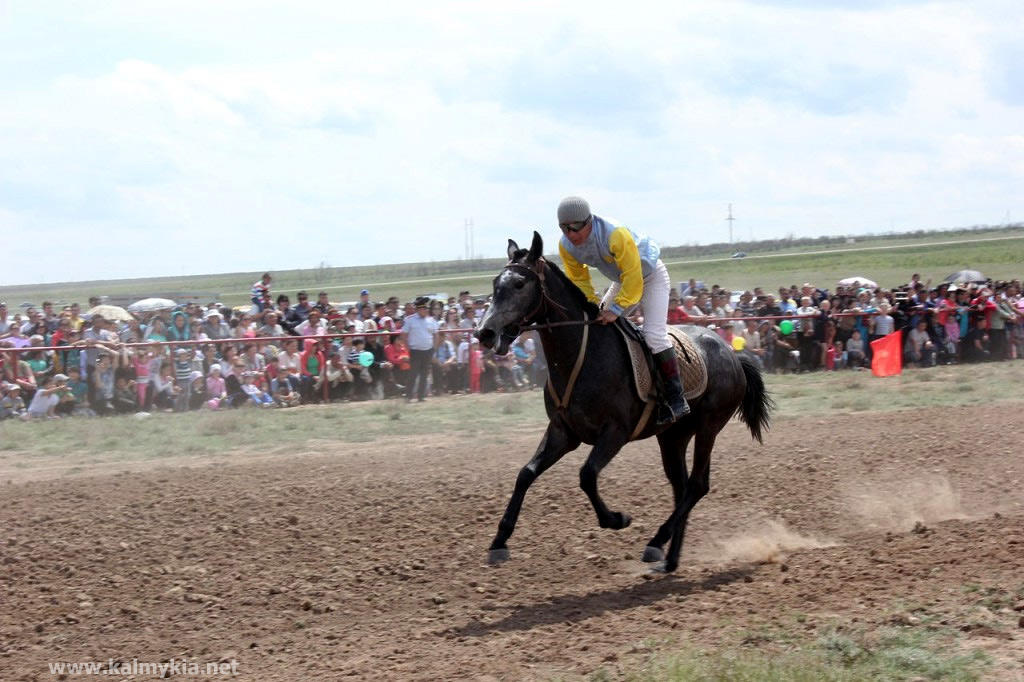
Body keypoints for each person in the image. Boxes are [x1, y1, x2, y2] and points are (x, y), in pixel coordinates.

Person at [555, 196, 689, 422]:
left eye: (575, 228)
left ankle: (676, 398)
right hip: (622, 280)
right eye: (564, 229)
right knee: (598, 327)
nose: (570, 235)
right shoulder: (565, 246)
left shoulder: (614, 233)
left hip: (650, 276)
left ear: (588, 222)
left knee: (654, 335)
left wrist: (616, 309)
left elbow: (634, 277)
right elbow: (579, 280)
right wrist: (592, 305)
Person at [401, 296, 438, 402]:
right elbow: (404, 335)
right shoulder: (410, 320)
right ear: (419, 310)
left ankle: (421, 396)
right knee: (413, 374)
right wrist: (408, 348)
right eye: (424, 309)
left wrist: (433, 349)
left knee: (424, 375)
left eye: (426, 309)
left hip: (428, 351)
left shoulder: (431, 320)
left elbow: (436, 335)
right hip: (415, 351)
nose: (426, 310)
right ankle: (408, 395)